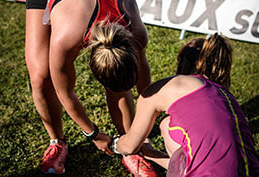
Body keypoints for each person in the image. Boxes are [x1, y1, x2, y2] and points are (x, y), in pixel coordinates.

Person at [25, 0, 157, 176]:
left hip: (95, 11)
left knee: (117, 73)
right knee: (41, 77)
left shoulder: (136, 31)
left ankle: (130, 148)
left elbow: (144, 86)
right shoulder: (66, 38)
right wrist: (93, 134)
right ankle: (57, 142)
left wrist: (142, 128)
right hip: (67, 10)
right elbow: (64, 92)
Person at [113, 33, 259, 176]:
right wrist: (151, 154)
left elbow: (129, 146)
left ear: (182, 63)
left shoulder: (163, 89)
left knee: (166, 124)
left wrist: (114, 144)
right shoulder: (227, 97)